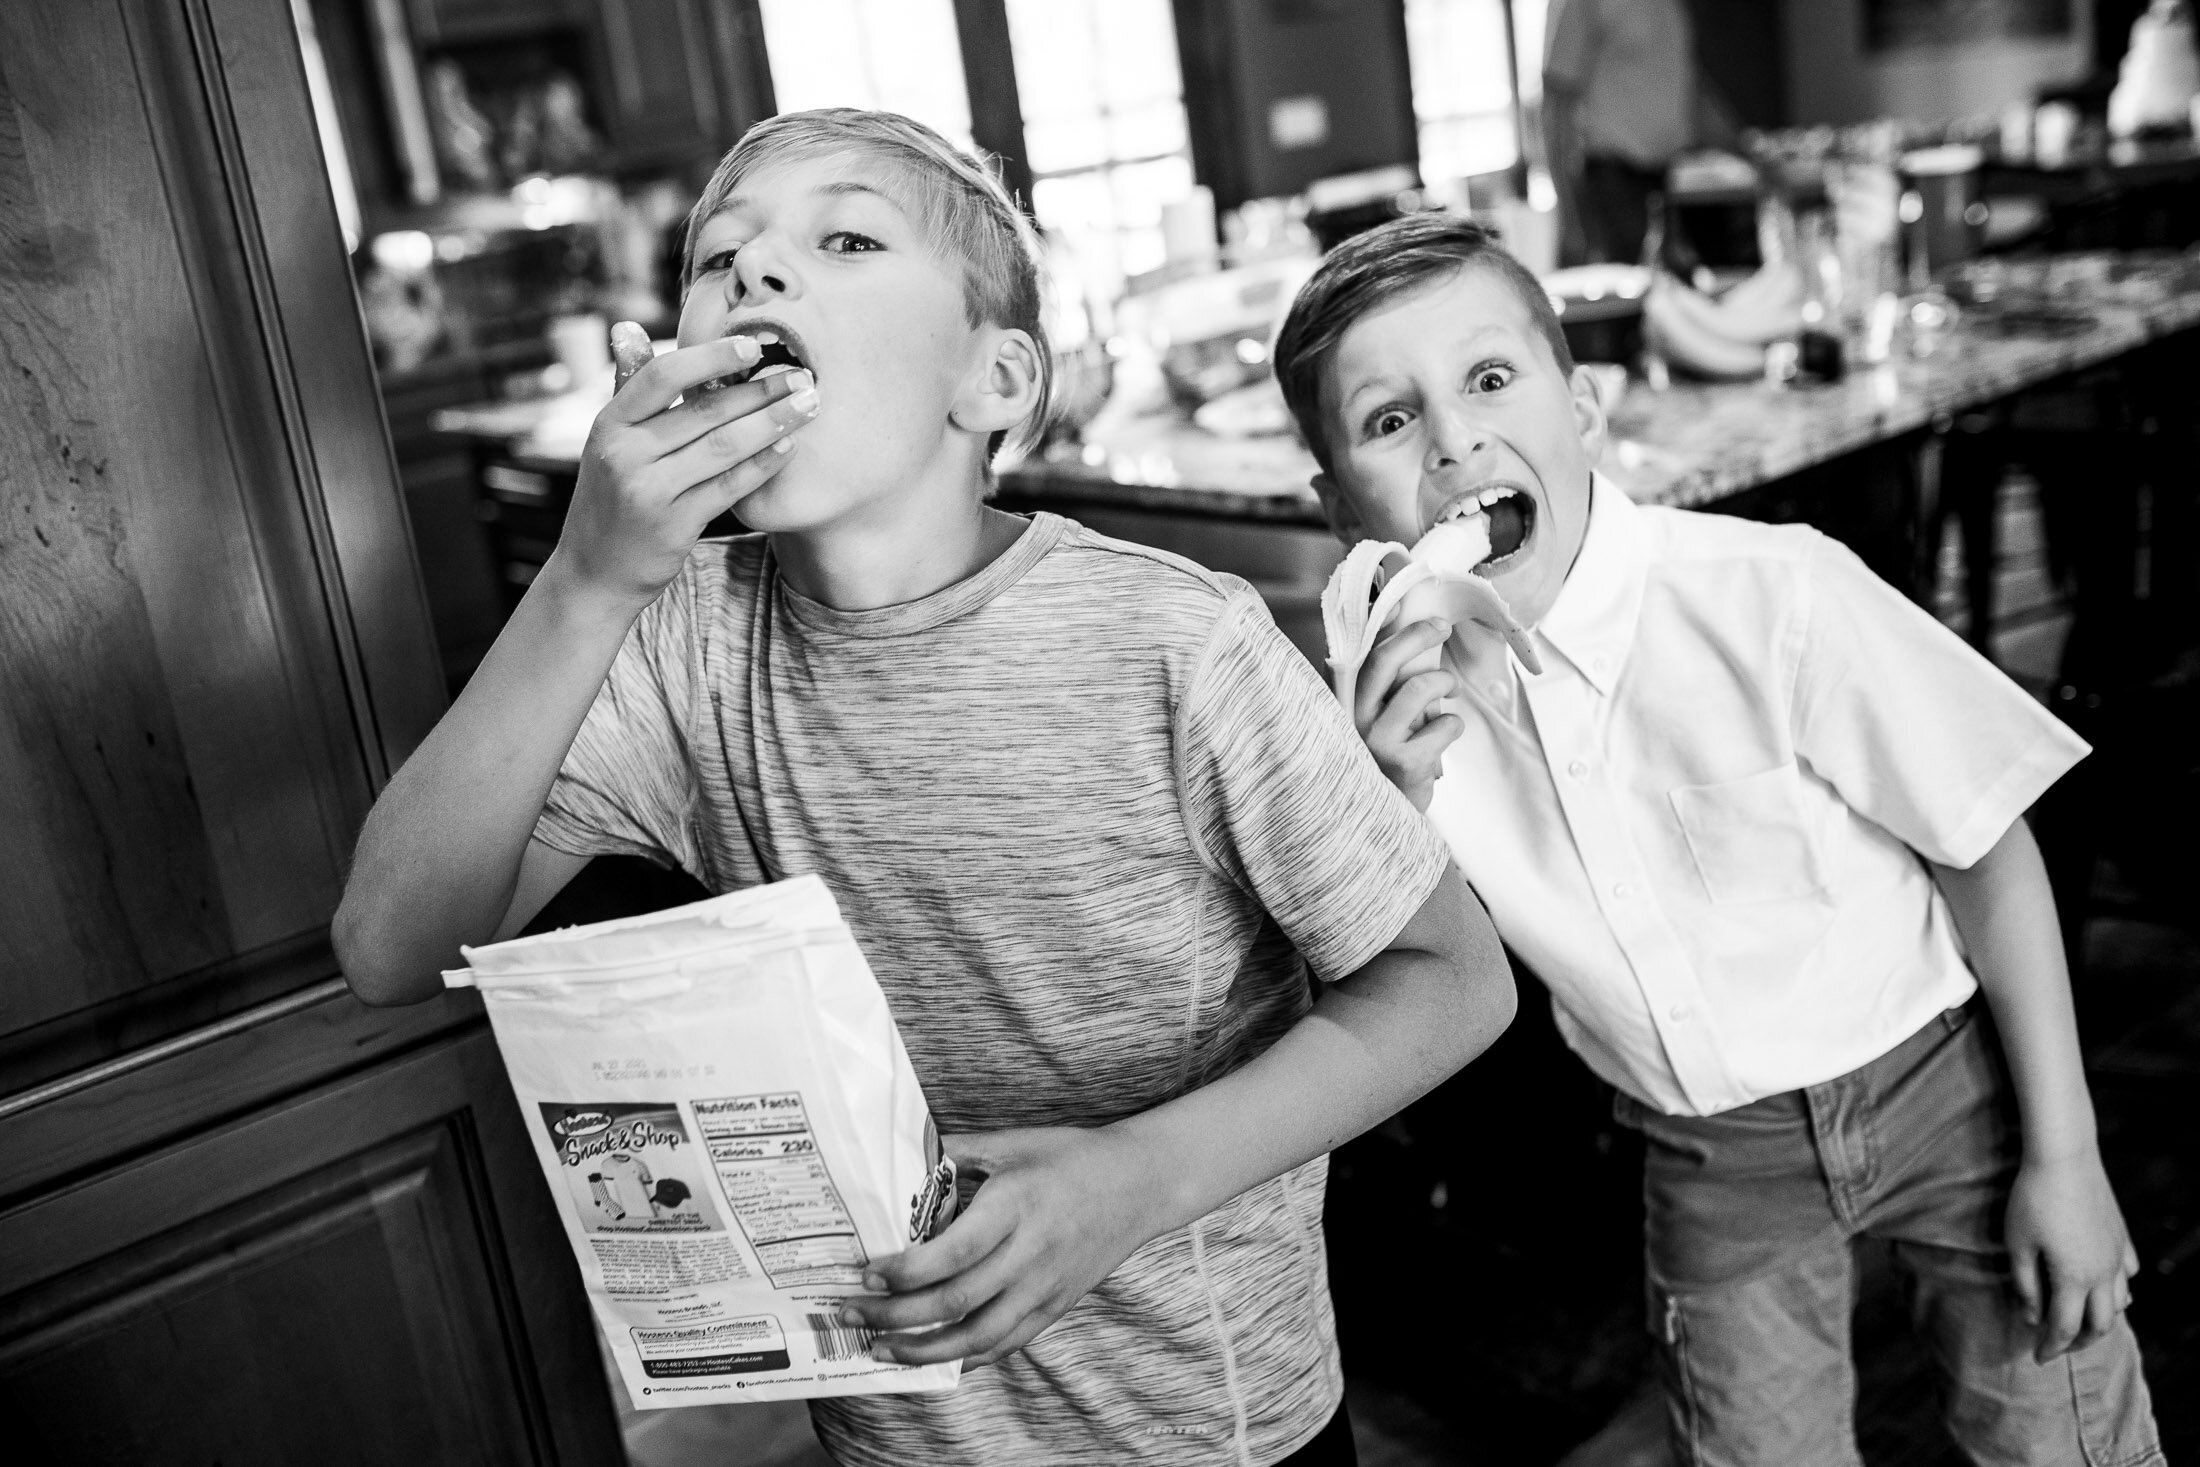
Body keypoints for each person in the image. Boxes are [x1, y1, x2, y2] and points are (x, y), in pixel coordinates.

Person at [333, 111, 1517, 1467]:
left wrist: (1137, 1181)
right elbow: (389, 945)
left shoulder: (1178, 644)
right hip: (896, 1434)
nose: (754, 277)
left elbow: (1453, 978)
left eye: (842, 239)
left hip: (1206, 1424)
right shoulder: (673, 644)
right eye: (719, 261)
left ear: (995, 379)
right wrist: (588, 577)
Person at [1271, 212, 2164, 1466]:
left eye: (1487, 378)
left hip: (1947, 1088)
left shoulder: (1769, 595)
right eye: (1388, 419)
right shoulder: (1387, 713)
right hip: (1708, 1153)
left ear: (1581, 407)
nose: (1455, 436)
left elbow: (1987, 850)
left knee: (2063, 1433)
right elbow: (1395, 980)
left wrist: (2065, 1156)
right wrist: (1384, 803)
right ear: (1336, 504)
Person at [1542, 0, 1696, 265]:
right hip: (1613, 180)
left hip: (1672, 177)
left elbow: (1684, 77)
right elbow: (1555, 107)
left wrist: (1744, 145)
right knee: (1624, 290)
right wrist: (1568, 218)